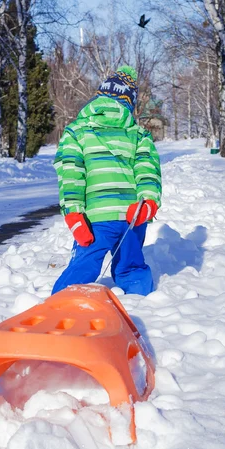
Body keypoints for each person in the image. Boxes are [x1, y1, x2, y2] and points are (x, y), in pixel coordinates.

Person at [52, 65, 162, 296]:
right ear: (129, 103)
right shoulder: (139, 135)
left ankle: (60, 306)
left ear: (100, 97)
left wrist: (73, 212)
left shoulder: (76, 132)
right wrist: (147, 202)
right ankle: (140, 306)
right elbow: (147, 171)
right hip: (132, 217)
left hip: (95, 219)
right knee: (131, 266)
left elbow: (71, 174)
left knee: (82, 268)